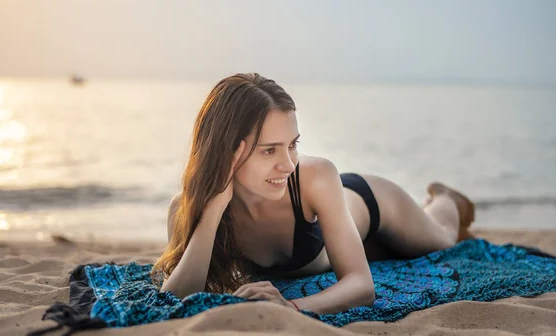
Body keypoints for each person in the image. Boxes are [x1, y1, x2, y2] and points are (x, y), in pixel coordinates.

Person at [152, 73, 475, 315]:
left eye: (292, 145)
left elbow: (362, 287)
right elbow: (176, 298)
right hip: (341, 234)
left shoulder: (314, 176)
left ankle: (445, 199)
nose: (287, 164)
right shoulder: (186, 207)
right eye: (269, 151)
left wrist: (290, 307)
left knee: (444, 239)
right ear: (226, 151)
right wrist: (214, 207)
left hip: (372, 202)